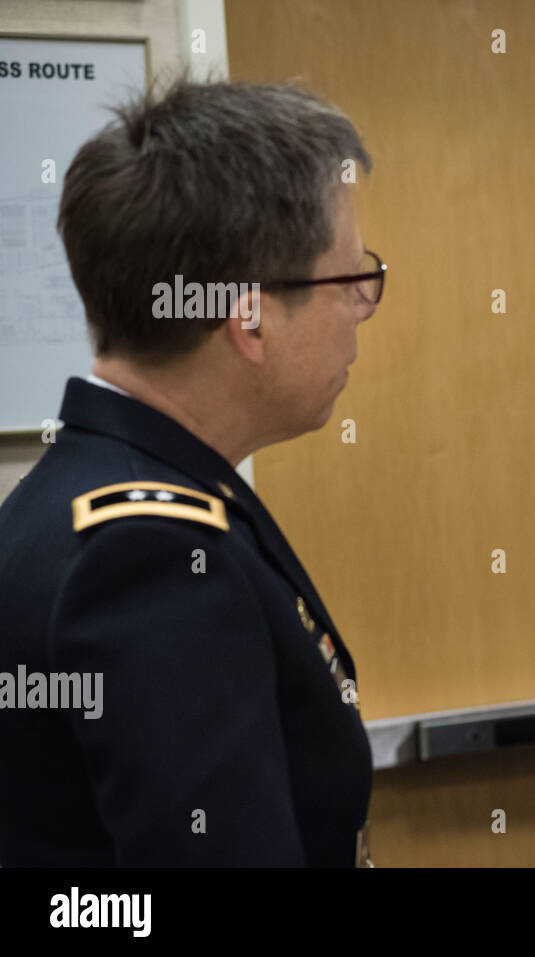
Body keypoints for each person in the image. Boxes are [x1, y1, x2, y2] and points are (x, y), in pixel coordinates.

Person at [0, 80, 384, 866]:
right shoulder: (155, 554)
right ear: (248, 319)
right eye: (349, 280)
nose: (363, 306)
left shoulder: (64, 497)